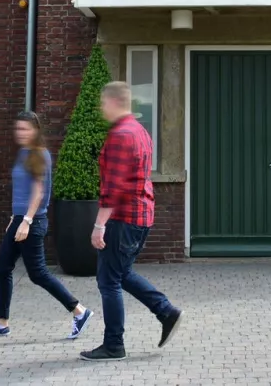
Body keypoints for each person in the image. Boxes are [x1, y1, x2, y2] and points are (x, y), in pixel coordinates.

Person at [80, 82, 181, 362]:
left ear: (114, 102)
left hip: (123, 218)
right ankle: (166, 311)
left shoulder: (120, 135)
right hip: (140, 215)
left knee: (108, 280)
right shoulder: (139, 131)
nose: (101, 108)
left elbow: (113, 187)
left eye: (103, 103)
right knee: (120, 273)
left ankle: (114, 345)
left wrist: (99, 225)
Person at [0, 112, 92, 339]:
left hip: (32, 221)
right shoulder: (24, 153)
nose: (21, 133)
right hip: (20, 219)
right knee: (4, 268)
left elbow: (38, 192)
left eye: (26, 129)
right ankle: (1, 323)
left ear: (36, 130)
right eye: (18, 129)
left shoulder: (39, 154)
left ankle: (79, 311)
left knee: (38, 274)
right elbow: (23, 190)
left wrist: (26, 221)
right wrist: (15, 217)